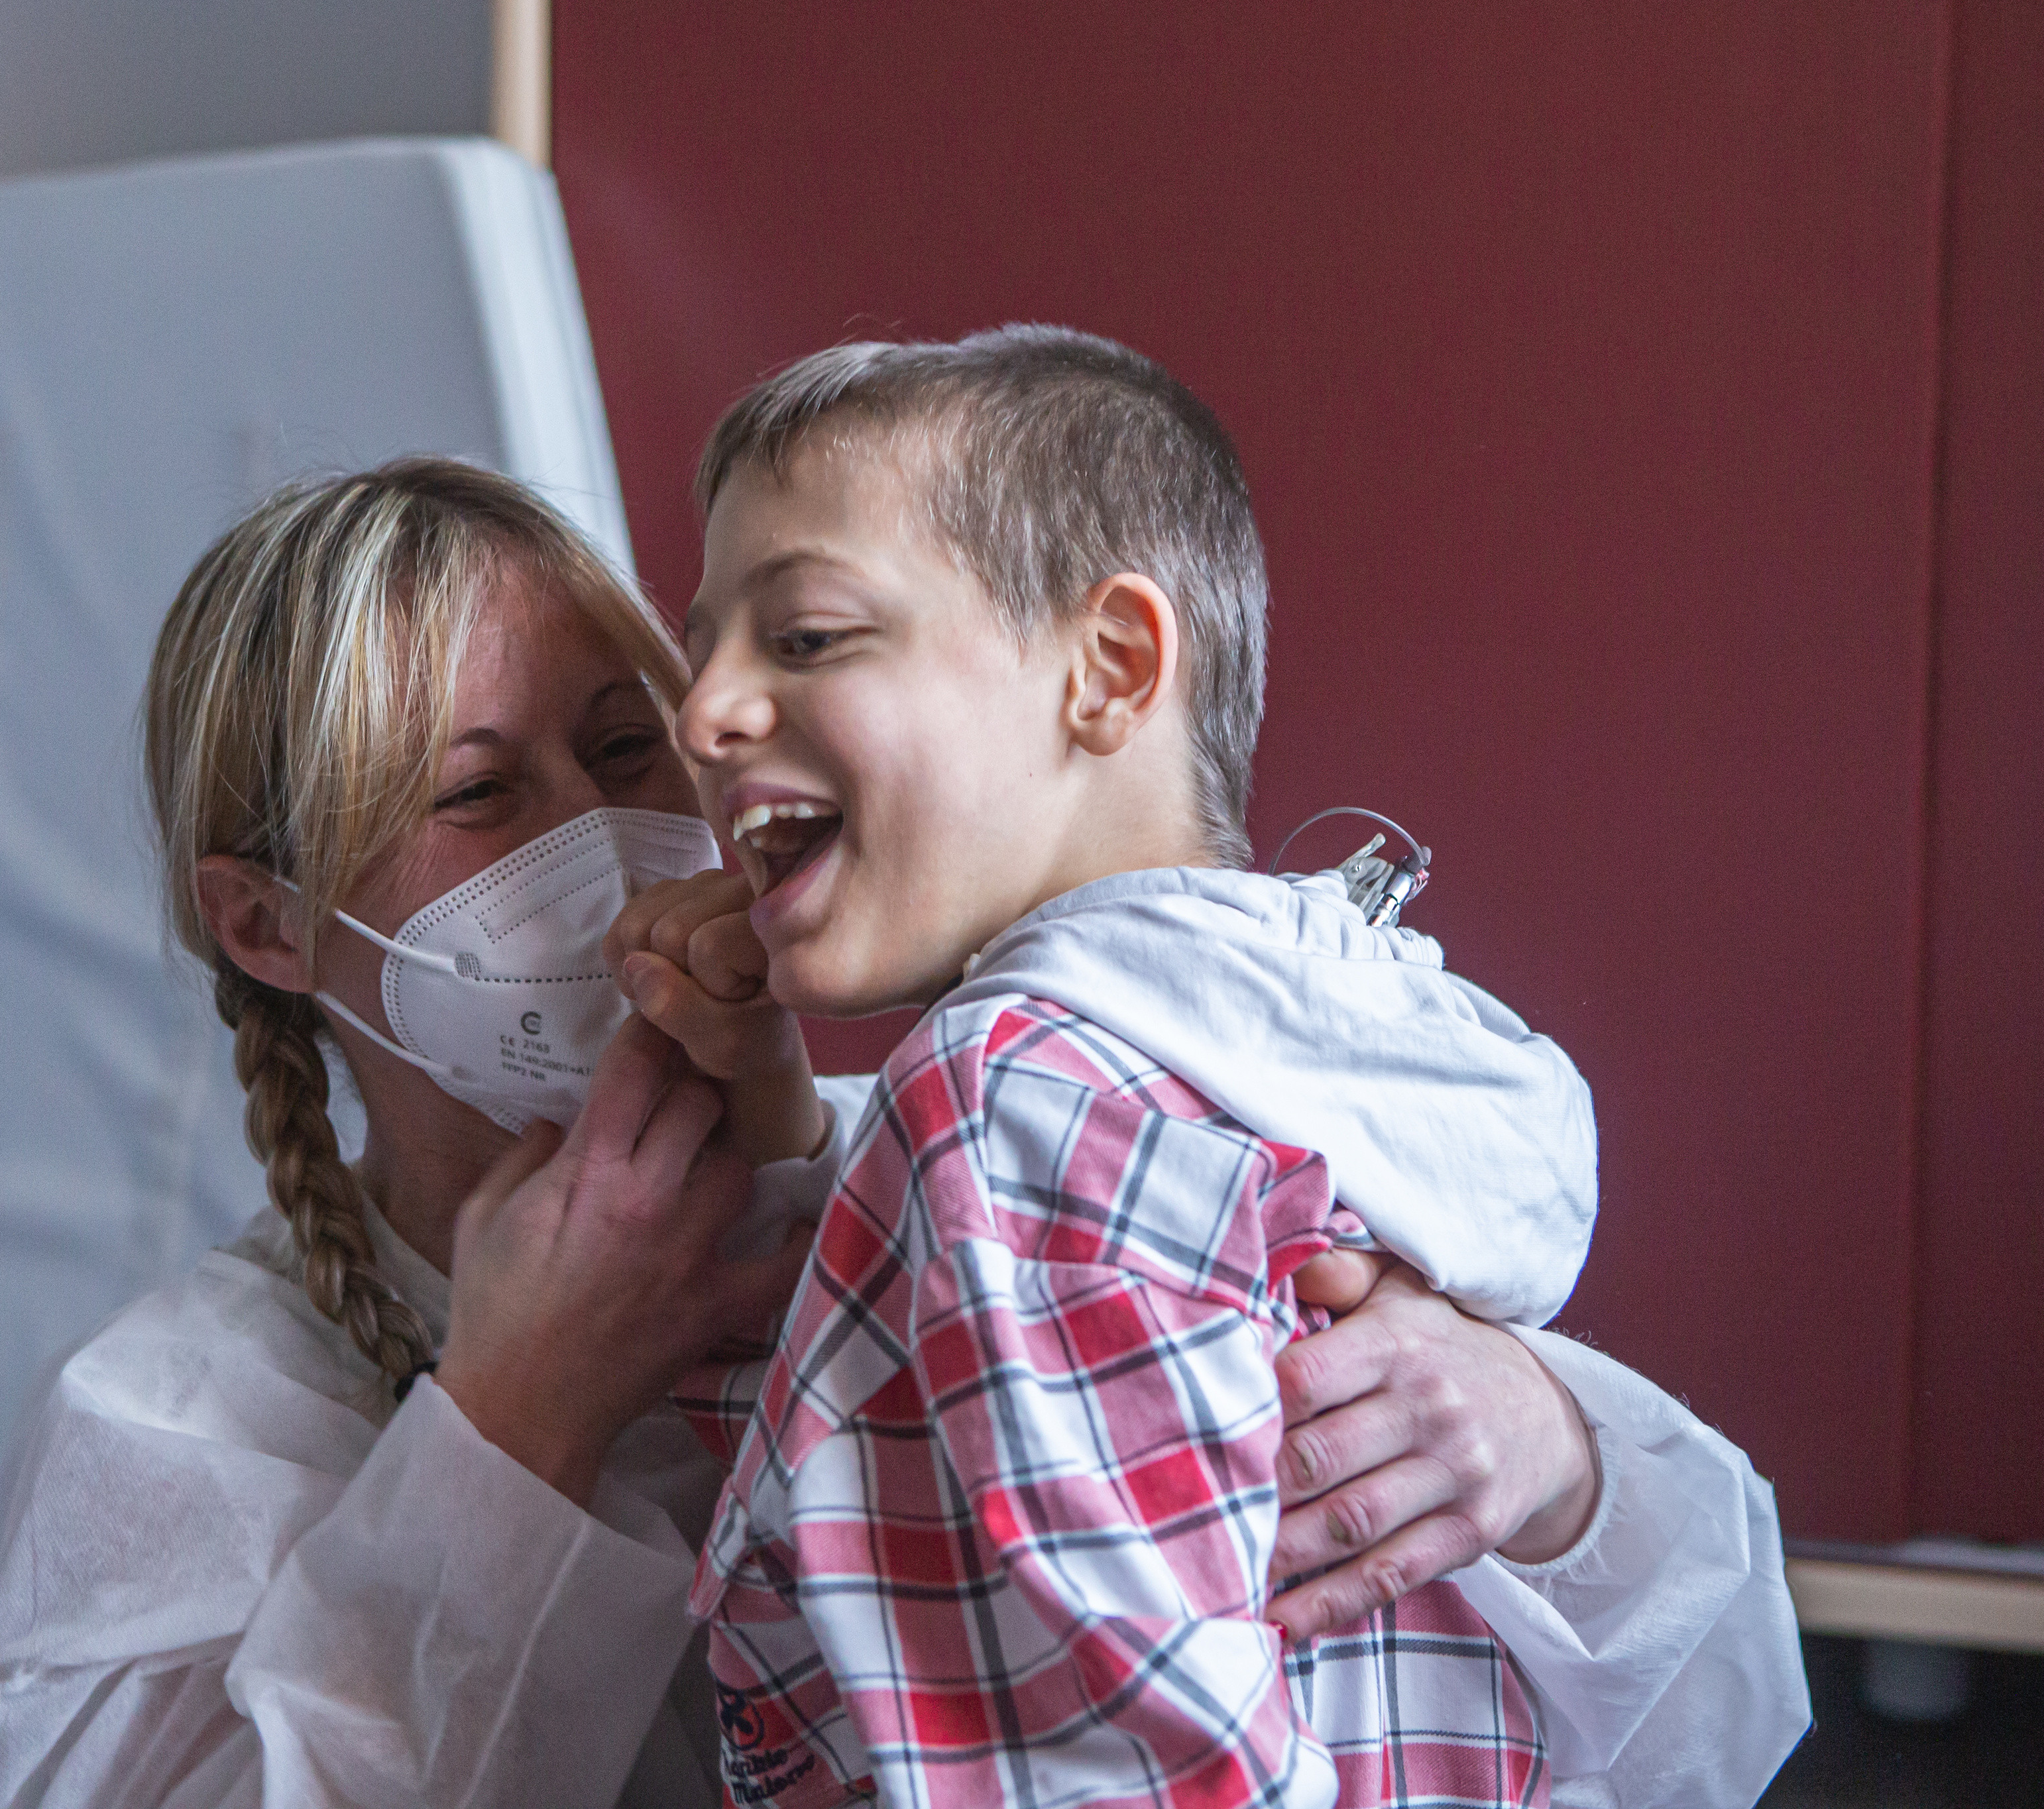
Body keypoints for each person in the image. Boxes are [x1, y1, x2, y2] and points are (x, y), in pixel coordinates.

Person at [0, 457, 1804, 1809]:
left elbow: (1721, 1694)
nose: (596, 838)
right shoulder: (174, 1422)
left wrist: (1541, 1452)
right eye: (474, 796)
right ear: (271, 927)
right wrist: (514, 1430)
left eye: (623, 750)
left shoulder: (989, 1176)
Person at [668, 326, 1805, 1807]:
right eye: (698, 653)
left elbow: (1130, 1768)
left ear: (1107, 670)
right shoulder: (1295, 1088)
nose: (702, 715)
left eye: (804, 635)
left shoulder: (1010, 1095)